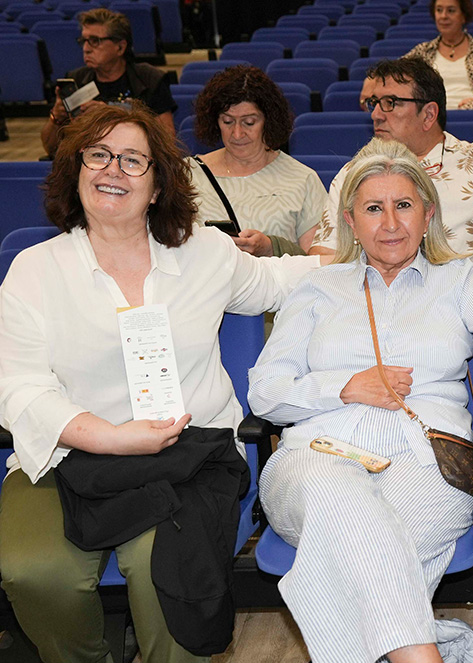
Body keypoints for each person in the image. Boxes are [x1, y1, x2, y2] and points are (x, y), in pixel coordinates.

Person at [248, 137, 473, 663]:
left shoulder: (460, 281)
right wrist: (343, 387)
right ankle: (427, 651)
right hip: (317, 456)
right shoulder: (316, 288)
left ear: (427, 215)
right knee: (344, 506)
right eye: (373, 209)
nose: (390, 223)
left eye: (403, 205)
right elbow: (265, 391)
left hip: (431, 462)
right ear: (350, 221)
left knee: (366, 552)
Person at [0, 103, 325, 663]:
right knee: (35, 573)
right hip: (68, 454)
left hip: (190, 455)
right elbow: (18, 387)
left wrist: (369, 254)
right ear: (75, 170)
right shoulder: (35, 270)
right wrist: (109, 437)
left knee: (167, 575)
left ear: (157, 187)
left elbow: (277, 280)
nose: (113, 169)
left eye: (133, 160)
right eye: (98, 155)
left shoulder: (201, 251)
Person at [310, 58, 473, 281]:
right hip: (370, 310)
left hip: (458, 313)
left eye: (390, 102)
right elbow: (322, 257)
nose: (376, 114)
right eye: (374, 103)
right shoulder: (354, 173)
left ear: (428, 114)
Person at [189, 65, 327, 257]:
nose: (237, 133)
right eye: (227, 122)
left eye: (249, 122)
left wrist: (272, 248)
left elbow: (319, 261)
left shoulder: (303, 179)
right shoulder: (188, 174)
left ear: (268, 121)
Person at [41, 8, 176, 157]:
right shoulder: (77, 80)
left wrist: (109, 114)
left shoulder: (149, 79)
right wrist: (56, 117)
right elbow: (50, 149)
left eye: (95, 41)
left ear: (120, 47)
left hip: (136, 159)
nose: (86, 49)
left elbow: (167, 140)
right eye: (84, 41)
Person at [404, 0, 473, 115]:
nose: (443, 16)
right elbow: (395, 77)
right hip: (432, 119)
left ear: (464, 16)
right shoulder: (423, 51)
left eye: (451, 11)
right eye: (439, 10)